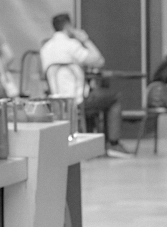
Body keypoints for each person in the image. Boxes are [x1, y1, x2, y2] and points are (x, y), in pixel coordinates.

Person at [38, 13, 129, 155]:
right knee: (114, 98)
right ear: (68, 26)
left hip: (57, 102)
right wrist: (85, 40)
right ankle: (113, 143)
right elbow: (99, 61)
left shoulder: (45, 48)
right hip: (78, 100)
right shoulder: (71, 45)